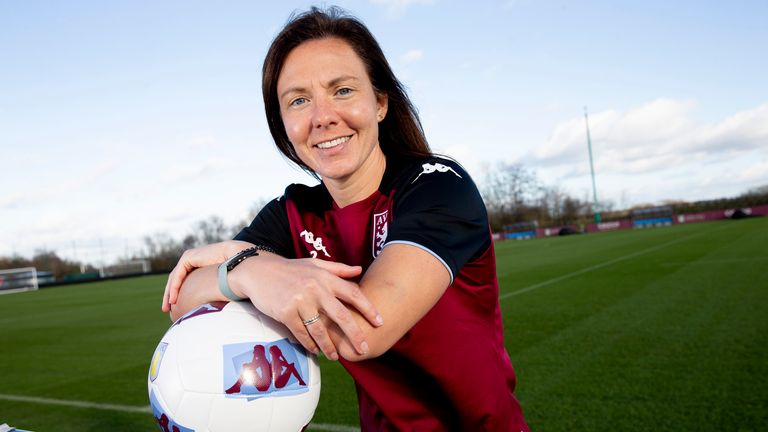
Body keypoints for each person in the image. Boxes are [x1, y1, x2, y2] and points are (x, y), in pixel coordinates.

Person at [161, 6, 529, 431]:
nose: (322, 117)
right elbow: (184, 299)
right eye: (299, 100)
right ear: (283, 125)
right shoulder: (295, 211)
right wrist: (251, 274)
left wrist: (237, 258)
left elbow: (361, 332)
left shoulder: (437, 186)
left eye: (342, 91)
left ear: (380, 103)